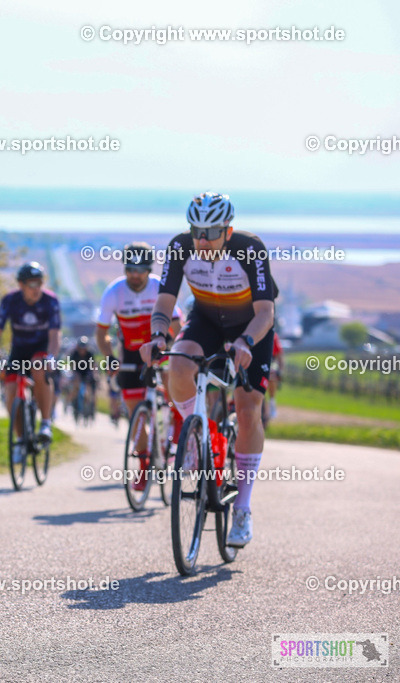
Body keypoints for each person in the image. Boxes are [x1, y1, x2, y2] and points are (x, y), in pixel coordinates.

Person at [140, 191, 277, 547]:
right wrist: (157, 336)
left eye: (211, 232)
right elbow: (164, 302)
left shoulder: (250, 248)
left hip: (250, 327)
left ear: (227, 231)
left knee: (247, 411)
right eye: (196, 231)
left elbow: (266, 312)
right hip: (206, 320)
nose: (202, 240)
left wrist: (246, 342)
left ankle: (242, 509)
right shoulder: (180, 247)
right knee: (178, 361)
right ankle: (196, 434)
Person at [94, 243, 180, 480]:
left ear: (149, 270)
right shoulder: (114, 292)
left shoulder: (159, 286)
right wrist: (110, 358)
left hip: (160, 347)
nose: (135, 275)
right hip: (131, 353)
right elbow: (101, 333)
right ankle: (144, 467)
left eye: (140, 270)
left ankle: (176, 425)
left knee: (172, 381)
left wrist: (171, 349)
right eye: (130, 269)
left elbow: (176, 324)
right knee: (135, 414)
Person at [0, 262, 61, 446]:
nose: (37, 288)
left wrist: (51, 357)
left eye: (40, 283)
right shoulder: (10, 300)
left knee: (39, 367)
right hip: (19, 350)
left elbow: (54, 335)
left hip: (41, 348)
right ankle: (20, 439)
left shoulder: (50, 301)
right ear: (21, 285)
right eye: (32, 284)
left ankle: (45, 423)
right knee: (10, 390)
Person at [67, 336, 97, 417]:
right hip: (77, 372)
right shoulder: (74, 354)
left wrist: (94, 375)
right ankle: (72, 402)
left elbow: (93, 366)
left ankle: (89, 406)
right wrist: (75, 375)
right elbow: (72, 366)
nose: (82, 350)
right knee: (76, 386)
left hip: (87, 372)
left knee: (88, 388)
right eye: (81, 348)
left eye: (84, 348)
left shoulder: (90, 354)